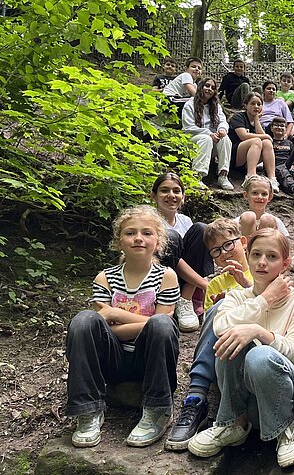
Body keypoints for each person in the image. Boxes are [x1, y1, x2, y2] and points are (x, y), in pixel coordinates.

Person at [188, 229, 294, 468]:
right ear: (248, 255)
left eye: (272, 257)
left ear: (285, 263)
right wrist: (264, 300)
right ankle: (232, 423)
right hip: (248, 403)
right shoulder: (236, 297)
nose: (262, 262)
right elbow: (220, 327)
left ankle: (288, 428)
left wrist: (259, 333)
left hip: (284, 396)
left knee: (259, 353)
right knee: (231, 335)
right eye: (256, 254)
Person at [66, 205, 179, 448]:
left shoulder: (166, 277)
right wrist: (138, 324)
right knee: (84, 320)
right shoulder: (105, 278)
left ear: (158, 241)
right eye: (130, 233)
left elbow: (162, 325)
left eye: (147, 233)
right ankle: (88, 410)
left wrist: (117, 314)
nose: (139, 238)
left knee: (161, 325)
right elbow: (98, 329)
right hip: (112, 361)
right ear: (119, 241)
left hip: (149, 361)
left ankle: (158, 409)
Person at [165, 218, 253, 451]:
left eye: (228, 245)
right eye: (216, 251)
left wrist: (244, 289)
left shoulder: (262, 269)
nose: (223, 254)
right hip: (224, 353)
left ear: (243, 242)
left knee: (224, 307)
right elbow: (209, 330)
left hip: (255, 347)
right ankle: (196, 397)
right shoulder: (214, 285)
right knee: (217, 309)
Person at [151, 173, 211, 332]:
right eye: (164, 190)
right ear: (153, 196)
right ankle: (174, 299)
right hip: (160, 277)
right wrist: (206, 285)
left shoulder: (185, 221)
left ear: (183, 197)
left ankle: (185, 300)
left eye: (176, 191)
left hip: (186, 280)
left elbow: (195, 256)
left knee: (202, 229)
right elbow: (173, 259)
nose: (171, 195)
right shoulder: (150, 221)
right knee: (171, 237)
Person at [181, 77, 233, 191]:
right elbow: (188, 127)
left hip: (212, 141)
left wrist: (222, 130)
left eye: (213, 88)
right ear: (201, 87)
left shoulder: (216, 106)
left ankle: (223, 175)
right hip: (192, 142)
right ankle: (197, 176)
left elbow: (223, 121)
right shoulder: (190, 105)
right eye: (207, 86)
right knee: (206, 139)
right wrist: (209, 134)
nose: (210, 89)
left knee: (225, 139)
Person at [228, 91, 279, 191]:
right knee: (256, 141)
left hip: (249, 160)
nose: (256, 106)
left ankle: (272, 179)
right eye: (252, 103)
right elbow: (243, 136)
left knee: (266, 143)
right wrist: (266, 136)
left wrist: (256, 120)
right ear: (246, 105)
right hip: (235, 156)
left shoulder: (259, 122)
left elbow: (264, 137)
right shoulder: (238, 117)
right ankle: (251, 176)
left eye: (259, 104)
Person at [269, 116, 294, 201]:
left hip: (288, 165)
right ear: (271, 128)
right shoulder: (269, 142)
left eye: (282, 126)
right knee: (282, 171)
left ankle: (293, 171)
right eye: (276, 125)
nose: (279, 127)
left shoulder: (289, 143)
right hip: (274, 166)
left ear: (285, 129)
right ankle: (293, 187)